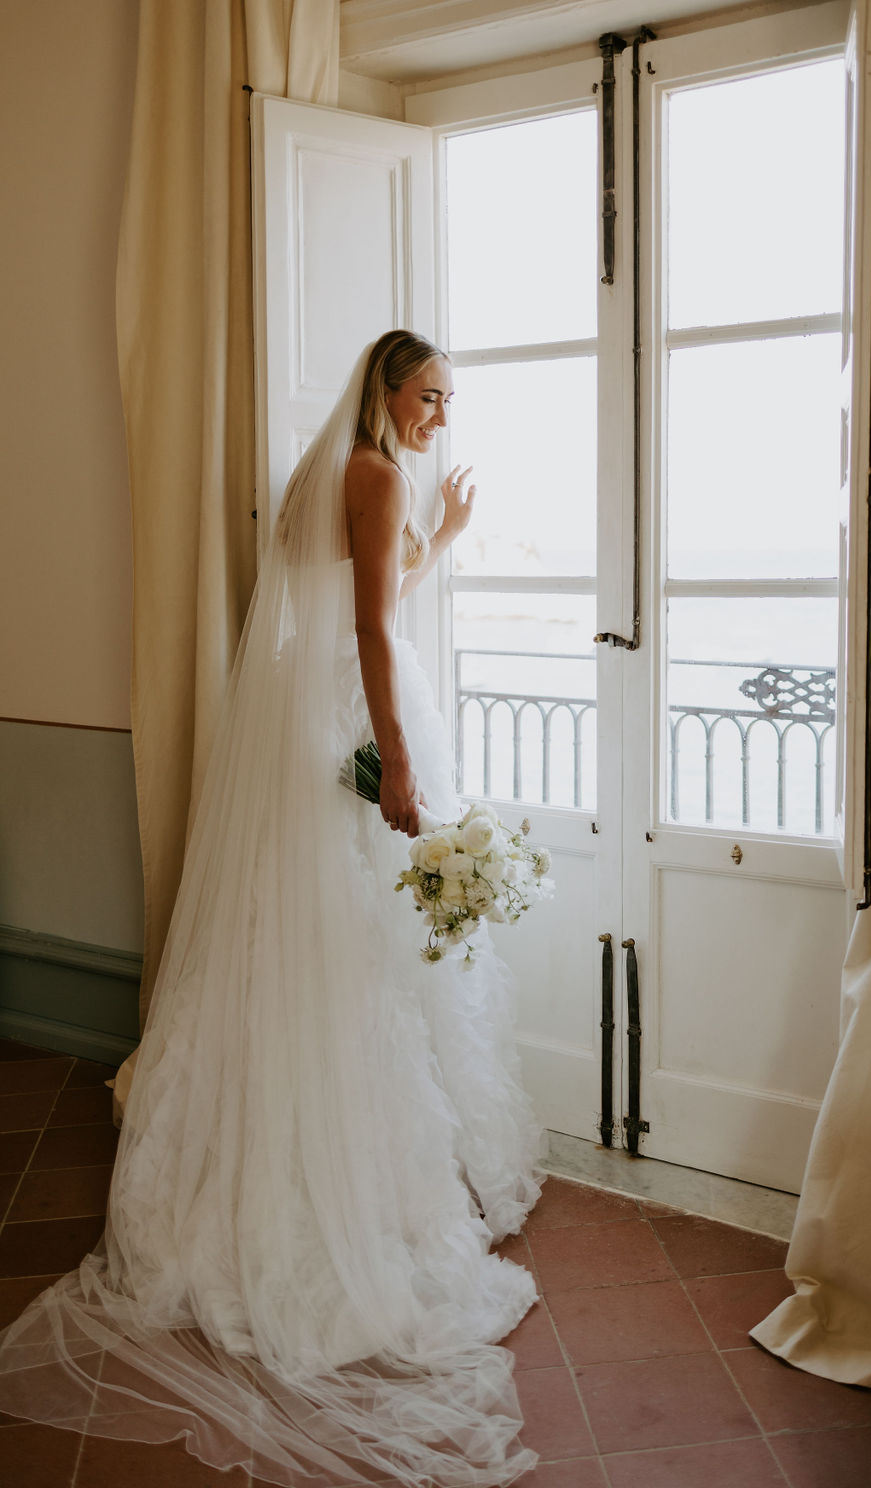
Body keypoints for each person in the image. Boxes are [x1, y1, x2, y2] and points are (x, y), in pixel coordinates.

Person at [0, 331, 544, 1487]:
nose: (439, 413)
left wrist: (438, 539)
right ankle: (336, 1193)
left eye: (448, 398)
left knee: (347, 959)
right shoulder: (371, 469)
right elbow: (366, 629)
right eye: (427, 394)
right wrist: (396, 759)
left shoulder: (355, 474)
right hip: (354, 728)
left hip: (328, 725)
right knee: (350, 966)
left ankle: (330, 1163)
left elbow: (368, 594)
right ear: (384, 392)